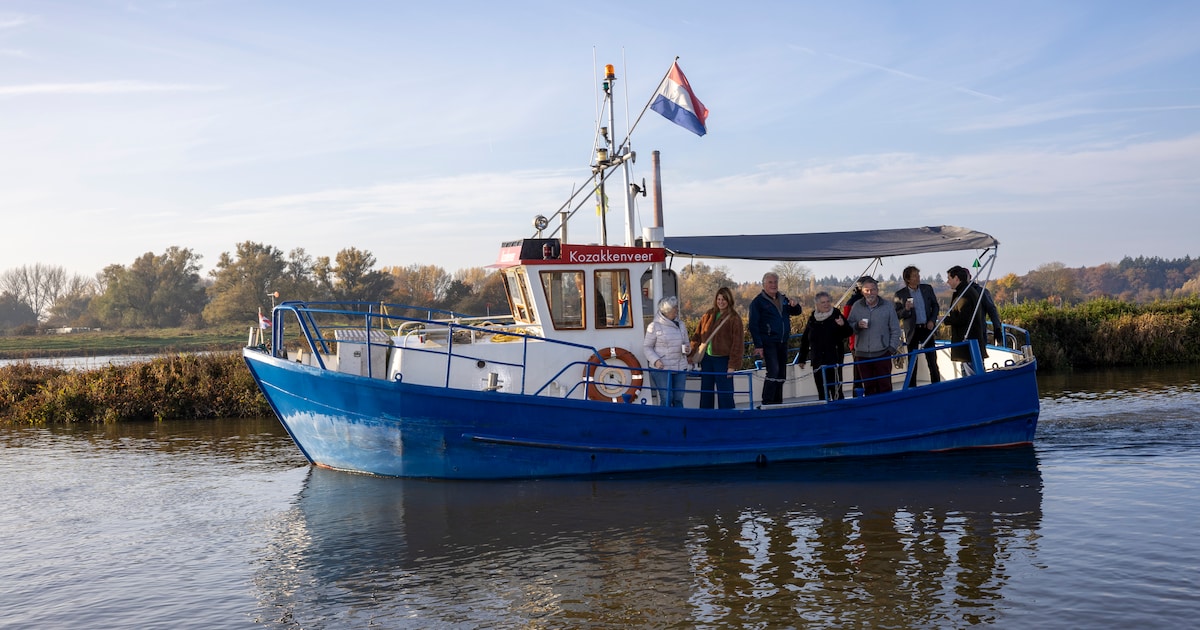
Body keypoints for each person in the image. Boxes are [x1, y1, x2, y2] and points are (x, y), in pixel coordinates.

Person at [748, 272, 804, 405]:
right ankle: (767, 402)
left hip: (782, 341)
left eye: (775, 282)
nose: (773, 285)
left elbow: (797, 312)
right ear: (764, 284)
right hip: (768, 341)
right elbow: (753, 325)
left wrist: (795, 305)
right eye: (770, 282)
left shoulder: (783, 299)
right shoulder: (758, 302)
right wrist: (758, 345)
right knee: (773, 371)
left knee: (781, 374)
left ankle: (778, 402)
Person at [690, 287, 745, 409]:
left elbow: (737, 344)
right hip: (707, 359)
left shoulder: (734, 318)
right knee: (706, 391)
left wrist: (732, 366)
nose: (721, 302)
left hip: (723, 360)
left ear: (729, 300)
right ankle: (706, 416)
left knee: (725, 393)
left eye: (724, 299)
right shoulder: (708, 315)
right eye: (719, 299)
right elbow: (698, 335)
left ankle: (727, 418)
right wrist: (691, 353)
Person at [847, 277, 901, 395]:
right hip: (862, 355)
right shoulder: (856, 306)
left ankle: (886, 411)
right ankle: (872, 413)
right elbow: (848, 327)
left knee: (885, 386)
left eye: (872, 290)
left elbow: (895, 329)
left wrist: (891, 349)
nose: (870, 293)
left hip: (882, 354)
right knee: (868, 387)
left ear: (877, 291)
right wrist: (857, 325)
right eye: (867, 290)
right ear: (862, 291)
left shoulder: (887, 306)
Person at [798, 291, 853, 400]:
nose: (826, 304)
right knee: (822, 391)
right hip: (817, 360)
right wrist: (802, 358)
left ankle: (838, 412)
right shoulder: (812, 319)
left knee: (836, 390)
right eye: (823, 302)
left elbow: (849, 332)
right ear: (817, 305)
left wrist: (842, 325)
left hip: (834, 359)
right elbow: (805, 340)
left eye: (828, 301)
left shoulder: (836, 315)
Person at [893, 265, 942, 387]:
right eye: (915, 275)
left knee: (932, 359)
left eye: (918, 275)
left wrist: (932, 320)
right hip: (913, 330)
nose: (918, 277)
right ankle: (912, 388)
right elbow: (896, 314)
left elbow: (935, 306)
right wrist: (906, 309)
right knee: (912, 361)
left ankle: (936, 386)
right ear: (908, 279)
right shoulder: (900, 294)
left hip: (927, 328)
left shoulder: (927, 289)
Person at [642, 296, 690, 407]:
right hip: (662, 368)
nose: (677, 311)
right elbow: (647, 347)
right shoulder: (654, 326)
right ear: (667, 311)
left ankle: (680, 422)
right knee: (667, 397)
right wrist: (656, 361)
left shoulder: (681, 325)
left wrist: (687, 349)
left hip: (680, 366)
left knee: (678, 398)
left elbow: (687, 343)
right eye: (674, 309)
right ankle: (665, 422)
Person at [944, 265, 989, 376]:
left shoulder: (964, 295)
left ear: (956, 278)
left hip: (967, 342)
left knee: (971, 374)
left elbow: (963, 318)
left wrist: (946, 319)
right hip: (970, 341)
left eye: (949, 278)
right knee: (973, 370)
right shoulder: (968, 291)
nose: (947, 281)